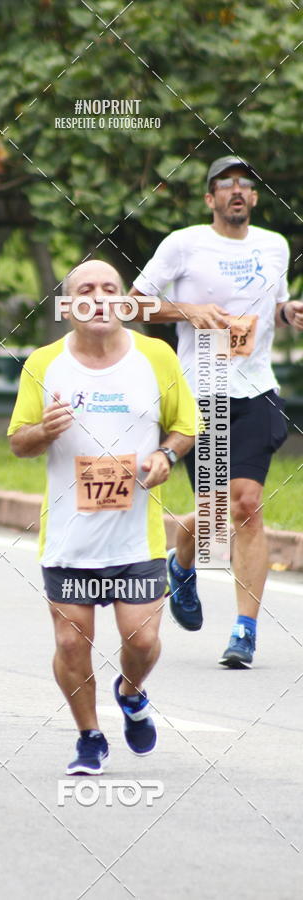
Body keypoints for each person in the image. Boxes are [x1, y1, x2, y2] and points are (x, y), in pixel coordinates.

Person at [8, 260, 198, 775]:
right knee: (71, 642)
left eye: (110, 289)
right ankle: (89, 736)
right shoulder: (43, 364)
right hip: (69, 538)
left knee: (143, 640)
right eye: (86, 289)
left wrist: (167, 455)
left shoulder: (155, 357)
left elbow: (185, 425)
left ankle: (131, 693)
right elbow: (18, 441)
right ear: (68, 304)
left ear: (124, 301)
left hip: (136, 538)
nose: (98, 297)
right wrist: (43, 431)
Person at [130, 156, 303, 668]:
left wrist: (288, 312)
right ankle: (181, 565)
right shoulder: (184, 244)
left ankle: (245, 631)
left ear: (255, 197)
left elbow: (272, 308)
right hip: (200, 392)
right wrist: (188, 311)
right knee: (212, 514)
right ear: (210, 198)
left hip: (257, 390)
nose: (236, 190)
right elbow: (132, 304)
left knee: (246, 504)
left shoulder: (275, 245)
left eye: (245, 183)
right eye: (225, 184)